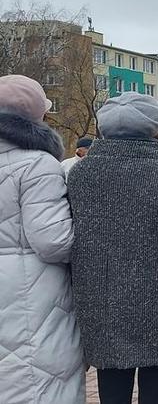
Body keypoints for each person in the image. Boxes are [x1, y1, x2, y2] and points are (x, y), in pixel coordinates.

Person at [67, 92, 158, 404]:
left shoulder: (79, 174)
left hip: (98, 302)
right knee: (156, 385)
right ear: (154, 128)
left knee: (111, 383)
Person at [0, 74, 84, 403]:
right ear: (37, 116)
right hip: (31, 291)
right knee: (39, 378)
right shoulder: (37, 164)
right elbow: (53, 240)